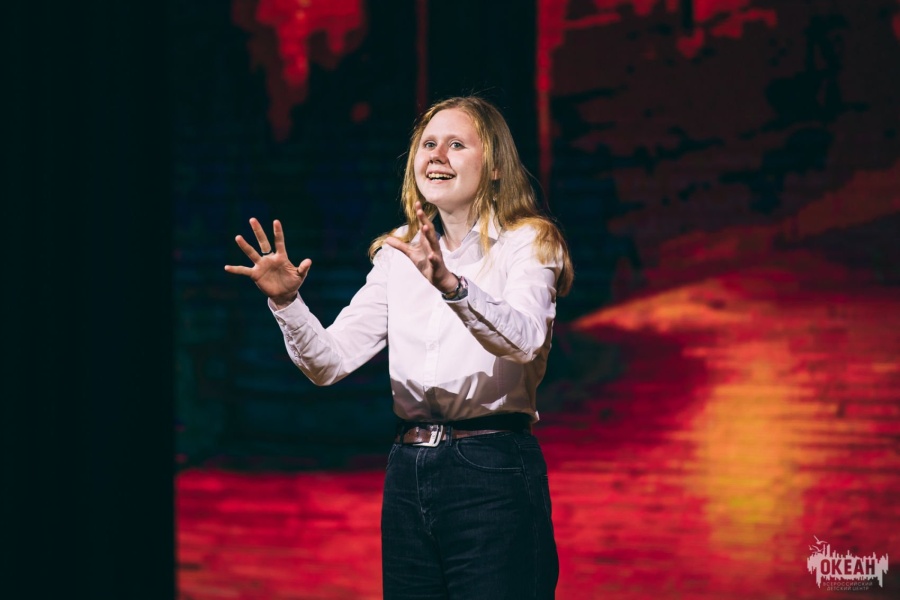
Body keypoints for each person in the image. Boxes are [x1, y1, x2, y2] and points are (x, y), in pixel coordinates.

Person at [225, 95, 573, 599]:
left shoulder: (528, 242)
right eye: (428, 144)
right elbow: (330, 362)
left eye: (457, 145)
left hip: (492, 468)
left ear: (495, 164)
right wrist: (286, 302)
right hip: (409, 470)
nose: (437, 156)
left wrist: (452, 286)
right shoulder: (399, 252)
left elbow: (523, 340)